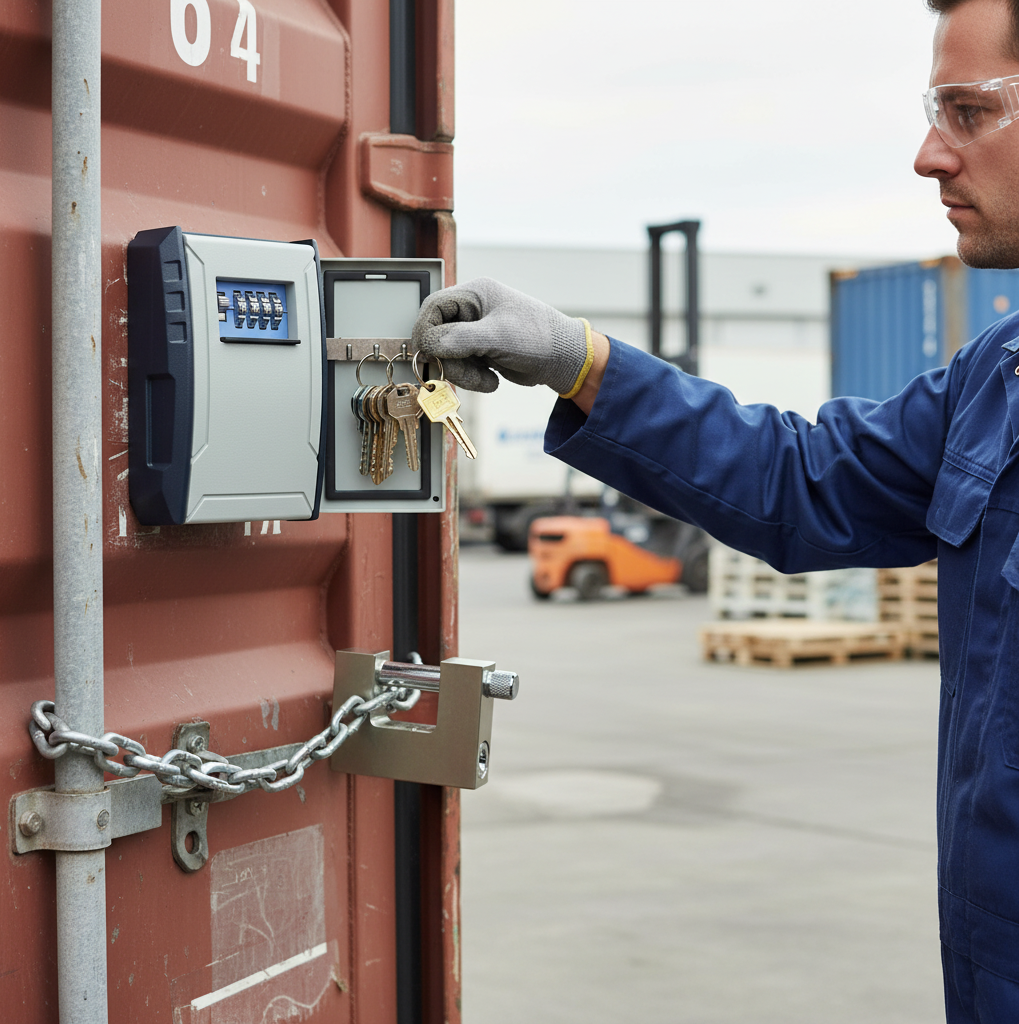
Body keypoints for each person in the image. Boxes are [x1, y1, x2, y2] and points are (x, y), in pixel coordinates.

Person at [412, 0, 1019, 1019]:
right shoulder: (995, 379)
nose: (928, 155)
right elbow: (799, 479)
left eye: (967, 112)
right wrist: (580, 362)